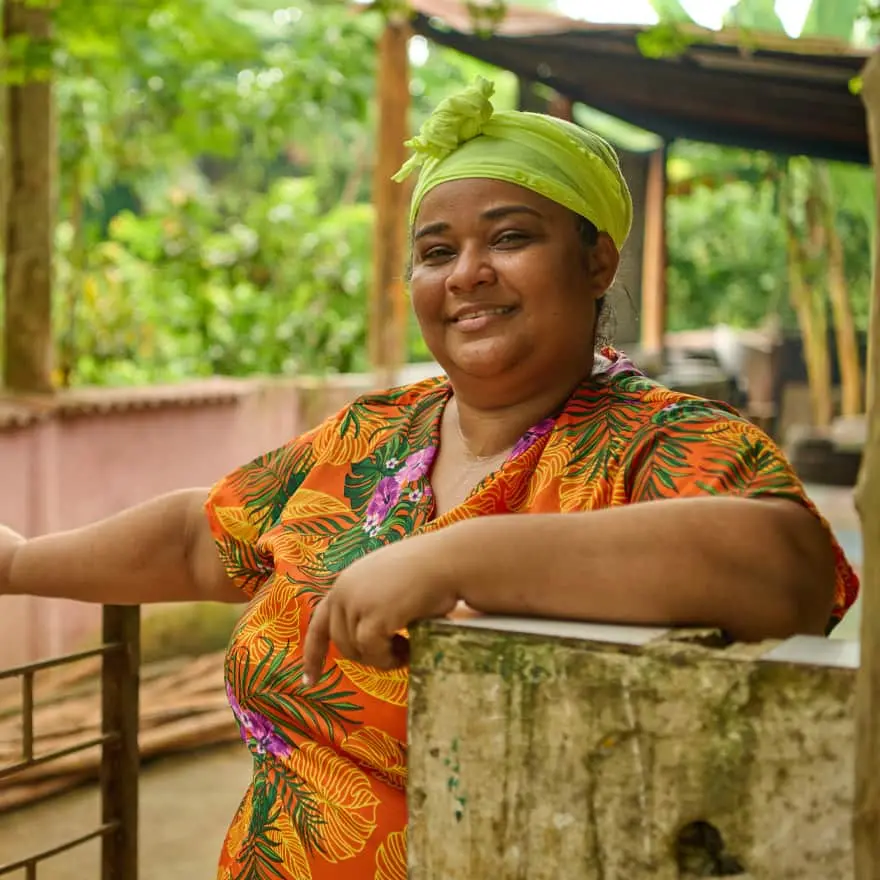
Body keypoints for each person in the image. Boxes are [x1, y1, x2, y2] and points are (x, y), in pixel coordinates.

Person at [0, 77, 859, 879]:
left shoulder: (661, 441)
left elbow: (788, 568)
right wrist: (16, 564)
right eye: (436, 250)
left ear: (596, 263)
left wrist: (459, 558)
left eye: (511, 237)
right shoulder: (373, 433)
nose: (467, 274)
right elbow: (203, 537)